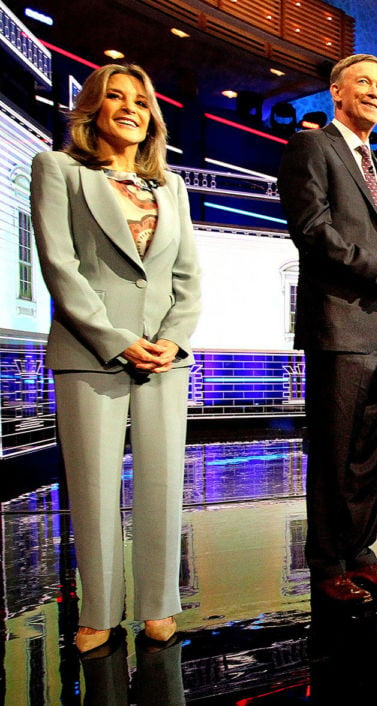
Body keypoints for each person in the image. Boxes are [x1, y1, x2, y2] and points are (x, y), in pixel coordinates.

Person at [30, 64, 201, 652]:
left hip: (163, 357)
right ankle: (98, 611)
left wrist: (173, 340)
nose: (130, 108)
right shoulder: (59, 170)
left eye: (140, 101)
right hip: (90, 353)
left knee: (162, 484)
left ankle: (158, 605)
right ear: (93, 110)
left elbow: (188, 278)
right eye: (115, 98)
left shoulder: (170, 186)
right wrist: (115, 339)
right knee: (95, 488)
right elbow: (59, 265)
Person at [278, 54, 377, 603]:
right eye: (364, 82)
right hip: (336, 328)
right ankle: (326, 563)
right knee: (336, 453)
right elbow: (312, 229)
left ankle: (361, 553)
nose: (374, 91)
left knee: (369, 454)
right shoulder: (311, 147)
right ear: (336, 92)